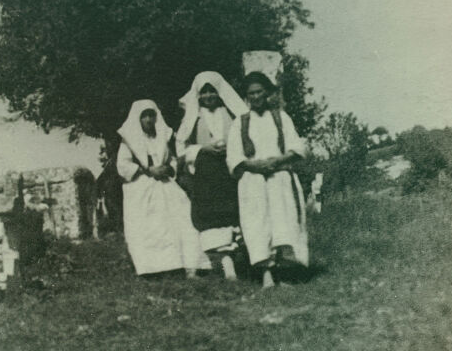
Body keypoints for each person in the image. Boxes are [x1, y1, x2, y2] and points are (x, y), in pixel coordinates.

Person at [226, 71, 308, 287]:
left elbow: (297, 147)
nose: (255, 97)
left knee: (284, 224)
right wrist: (254, 164)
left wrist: (279, 160)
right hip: (254, 182)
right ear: (246, 96)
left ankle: (286, 272)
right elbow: (234, 157)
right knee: (259, 226)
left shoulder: (281, 117)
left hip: (279, 178)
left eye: (259, 92)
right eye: (251, 93)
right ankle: (266, 274)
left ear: (268, 93)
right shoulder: (239, 123)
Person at [116, 100, 206, 277]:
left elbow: (171, 158)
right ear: (137, 119)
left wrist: (168, 168)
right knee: (151, 225)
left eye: (151, 115)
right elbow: (123, 166)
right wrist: (147, 170)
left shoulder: (161, 137)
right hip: (142, 187)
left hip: (165, 185)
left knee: (181, 218)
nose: (149, 120)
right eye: (144, 116)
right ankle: (152, 268)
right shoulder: (129, 142)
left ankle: (185, 264)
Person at [176, 72, 249, 279]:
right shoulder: (193, 117)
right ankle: (224, 263)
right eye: (204, 92)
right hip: (206, 173)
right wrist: (204, 149)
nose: (208, 96)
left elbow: (245, 139)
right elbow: (182, 147)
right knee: (212, 217)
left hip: (228, 171)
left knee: (232, 213)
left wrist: (232, 148)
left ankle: (236, 261)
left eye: (212, 91)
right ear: (198, 95)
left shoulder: (232, 114)